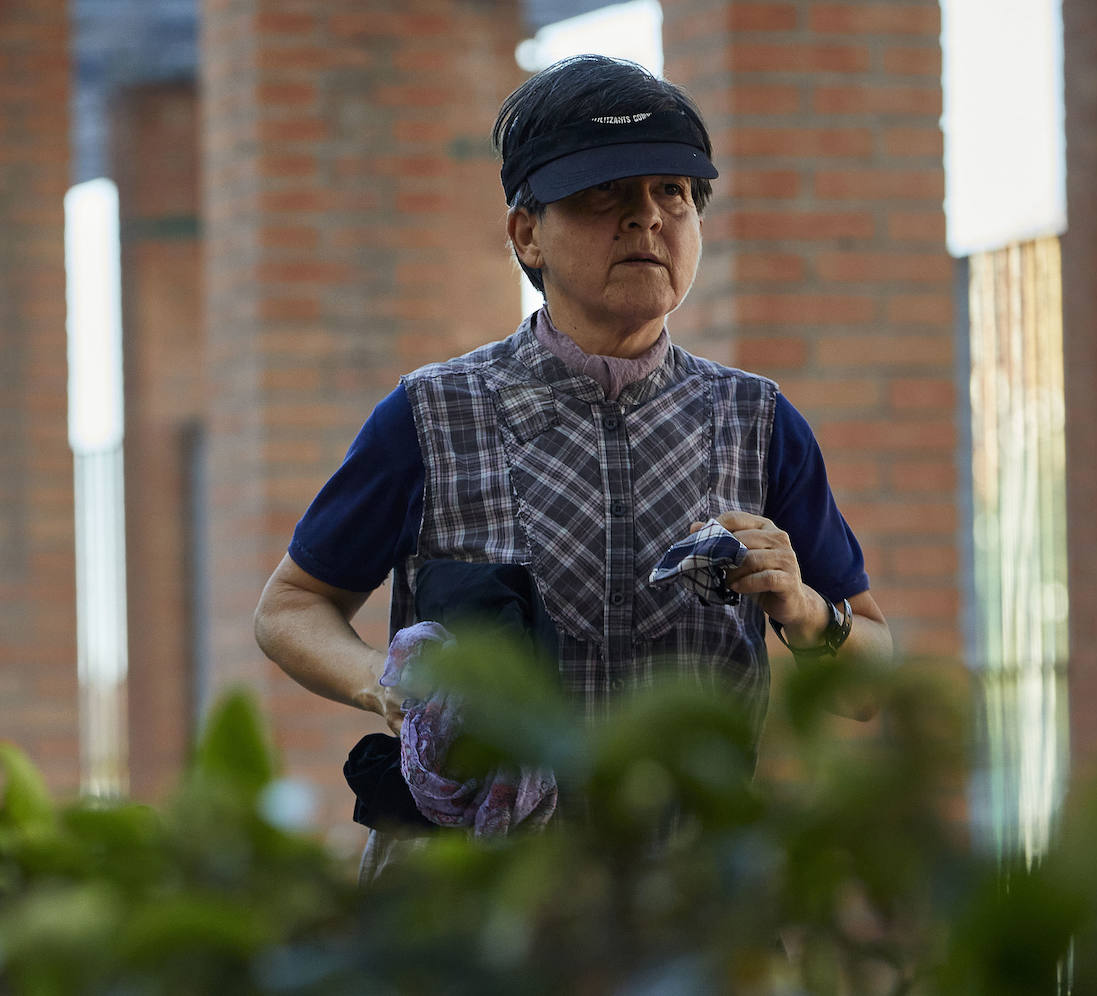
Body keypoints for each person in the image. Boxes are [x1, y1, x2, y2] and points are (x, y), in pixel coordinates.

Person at [254, 54, 893, 848]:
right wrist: (389, 684)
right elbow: (290, 608)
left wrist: (800, 608)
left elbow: (870, 681)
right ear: (527, 234)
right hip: (471, 909)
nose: (648, 219)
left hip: (690, 908)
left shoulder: (757, 421)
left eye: (674, 194)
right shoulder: (431, 414)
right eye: (605, 194)